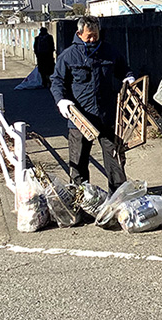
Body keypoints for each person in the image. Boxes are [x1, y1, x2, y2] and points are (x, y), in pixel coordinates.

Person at [50, 16, 135, 192]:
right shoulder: (68, 56)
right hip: (80, 116)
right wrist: (61, 101)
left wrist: (128, 77)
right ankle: (82, 198)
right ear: (79, 34)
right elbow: (57, 81)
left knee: (115, 159)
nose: (92, 39)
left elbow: (123, 69)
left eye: (95, 35)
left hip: (107, 114)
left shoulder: (109, 51)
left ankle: (118, 196)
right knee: (79, 160)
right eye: (89, 36)